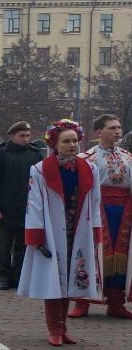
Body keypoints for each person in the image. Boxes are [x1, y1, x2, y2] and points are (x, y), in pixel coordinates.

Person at [18, 119, 103, 346]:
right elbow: (33, 203)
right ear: (55, 143)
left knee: (71, 280)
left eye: (75, 140)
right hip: (52, 232)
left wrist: (95, 232)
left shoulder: (90, 169)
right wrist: (35, 236)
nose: (72, 145)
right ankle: (54, 329)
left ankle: (63, 328)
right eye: (66, 141)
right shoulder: (39, 170)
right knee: (53, 280)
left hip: (78, 230)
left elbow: (95, 203)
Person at [71, 114, 132, 319]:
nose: (117, 131)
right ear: (99, 131)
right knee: (91, 252)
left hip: (123, 212)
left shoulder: (127, 157)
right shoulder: (87, 158)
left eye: (119, 127)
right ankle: (83, 302)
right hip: (96, 211)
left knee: (120, 257)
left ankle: (116, 302)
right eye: (112, 128)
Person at [0, 121, 45, 290]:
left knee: (22, 247)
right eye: (21, 136)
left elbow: (42, 182)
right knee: (4, 247)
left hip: (28, 209)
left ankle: (18, 277)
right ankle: (3, 276)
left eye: (27, 135)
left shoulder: (35, 154)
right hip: (6, 209)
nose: (25, 139)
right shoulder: (2, 154)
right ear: (12, 136)